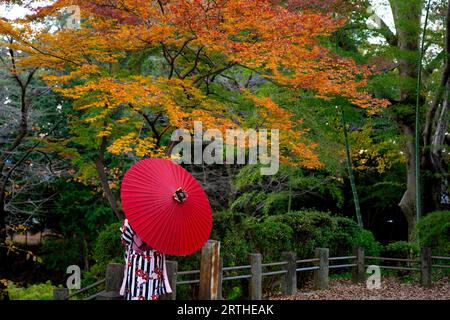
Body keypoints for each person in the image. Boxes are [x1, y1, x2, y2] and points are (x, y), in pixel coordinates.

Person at [119, 218, 172, 300]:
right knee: (152, 290)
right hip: (155, 260)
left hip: (136, 260)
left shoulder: (133, 218)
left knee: (135, 289)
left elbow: (125, 240)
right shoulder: (163, 220)